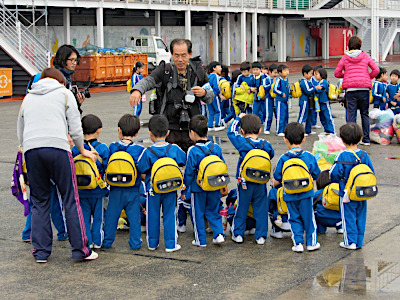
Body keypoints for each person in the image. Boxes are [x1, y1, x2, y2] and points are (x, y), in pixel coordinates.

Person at [17, 67, 98, 263]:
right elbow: (76, 128)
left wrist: (25, 147)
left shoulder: (28, 97)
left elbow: (21, 129)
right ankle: (80, 250)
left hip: (32, 150)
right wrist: (82, 148)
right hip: (58, 148)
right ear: (60, 81)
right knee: (70, 198)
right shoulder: (64, 93)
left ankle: (41, 252)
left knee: (40, 201)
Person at [129, 39, 214, 153]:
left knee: (193, 164)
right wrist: (137, 91)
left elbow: (211, 96)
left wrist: (204, 92)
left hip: (192, 130)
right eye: (176, 55)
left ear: (190, 54)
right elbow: (148, 80)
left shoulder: (198, 71)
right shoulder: (165, 70)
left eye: (184, 55)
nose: (180, 59)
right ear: (171, 53)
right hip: (169, 129)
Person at [137, 115, 186, 252]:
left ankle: (152, 243)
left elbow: (140, 167)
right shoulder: (174, 149)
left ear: (150, 133)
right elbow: (183, 160)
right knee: (170, 214)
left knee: (152, 215)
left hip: (153, 189)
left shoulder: (147, 151)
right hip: (170, 188)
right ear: (168, 132)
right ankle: (171, 244)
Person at [272, 122, 321, 253]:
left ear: (285, 139)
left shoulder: (283, 158)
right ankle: (312, 242)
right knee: (309, 218)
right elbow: (317, 174)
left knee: (294, 218)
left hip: (289, 193)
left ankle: (298, 243)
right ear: (304, 139)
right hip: (306, 193)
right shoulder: (309, 156)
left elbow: (277, 176)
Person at [228, 114, 275, 245]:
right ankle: (261, 236)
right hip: (261, 181)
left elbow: (230, 131)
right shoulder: (266, 144)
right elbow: (271, 155)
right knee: (261, 208)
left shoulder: (242, 142)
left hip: (245, 182)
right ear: (260, 130)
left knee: (241, 207)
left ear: (242, 131)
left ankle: (238, 234)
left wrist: (238, 119)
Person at [182, 115, 226, 247]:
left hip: (198, 187)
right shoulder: (216, 147)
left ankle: (200, 240)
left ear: (193, 133)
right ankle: (218, 234)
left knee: (198, 214)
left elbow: (189, 172)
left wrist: (185, 187)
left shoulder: (193, 150)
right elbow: (221, 166)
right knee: (213, 210)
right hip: (215, 185)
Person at [329, 123, 375, 250]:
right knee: (361, 216)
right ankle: (359, 241)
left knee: (348, 217)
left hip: (347, 194)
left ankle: (350, 242)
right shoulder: (364, 155)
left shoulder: (342, 155)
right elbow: (371, 172)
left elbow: (334, 173)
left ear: (342, 140)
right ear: (360, 139)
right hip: (362, 192)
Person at [103, 114, 145, 250]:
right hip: (133, 189)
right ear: (137, 132)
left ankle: (107, 241)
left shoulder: (113, 147)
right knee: (134, 218)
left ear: (119, 130)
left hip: (115, 188)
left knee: (111, 215)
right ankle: (135, 243)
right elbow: (142, 169)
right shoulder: (139, 150)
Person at [71, 114, 110, 249]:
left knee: (85, 218)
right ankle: (98, 242)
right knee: (99, 217)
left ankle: (86, 241)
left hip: (81, 189)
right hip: (98, 190)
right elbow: (106, 167)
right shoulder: (103, 148)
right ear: (98, 130)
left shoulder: (76, 148)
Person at [334, 36, 380, 146]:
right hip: (364, 89)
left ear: (349, 45)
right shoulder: (365, 56)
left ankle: (352, 140)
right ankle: (366, 139)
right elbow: (376, 70)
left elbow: (337, 73)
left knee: (351, 114)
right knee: (364, 113)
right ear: (360, 45)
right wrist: (367, 77)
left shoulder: (345, 57)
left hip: (351, 90)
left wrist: (346, 75)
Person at [297, 64, 317, 136]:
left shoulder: (309, 80)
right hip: (304, 100)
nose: (311, 75)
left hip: (309, 100)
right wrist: (315, 88)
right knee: (303, 115)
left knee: (309, 115)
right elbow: (308, 90)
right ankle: (298, 130)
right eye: (310, 73)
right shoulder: (303, 82)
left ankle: (308, 130)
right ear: (305, 73)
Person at [315, 68, 336, 134]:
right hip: (320, 103)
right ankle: (326, 130)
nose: (315, 76)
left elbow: (319, 90)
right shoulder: (319, 82)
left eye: (316, 74)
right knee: (322, 117)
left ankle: (332, 131)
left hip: (325, 102)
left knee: (328, 117)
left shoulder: (324, 82)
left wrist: (315, 88)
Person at [207, 61, 226, 131]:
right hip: (214, 95)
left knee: (211, 111)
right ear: (214, 68)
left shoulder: (208, 76)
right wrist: (220, 94)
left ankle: (210, 125)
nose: (221, 68)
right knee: (218, 110)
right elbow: (215, 86)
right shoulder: (215, 76)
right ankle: (218, 125)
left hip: (208, 95)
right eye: (219, 67)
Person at [273, 64, 290, 136]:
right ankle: (279, 130)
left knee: (286, 116)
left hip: (285, 100)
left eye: (287, 70)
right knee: (281, 116)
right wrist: (281, 93)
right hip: (280, 101)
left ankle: (285, 129)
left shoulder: (286, 79)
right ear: (280, 73)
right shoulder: (279, 80)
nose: (287, 72)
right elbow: (275, 89)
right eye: (285, 71)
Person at [263, 64, 278, 135]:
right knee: (269, 114)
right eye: (274, 72)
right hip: (268, 99)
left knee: (278, 114)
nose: (276, 74)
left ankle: (279, 129)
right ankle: (266, 128)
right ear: (270, 72)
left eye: (277, 73)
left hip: (276, 99)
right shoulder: (266, 79)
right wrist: (273, 83)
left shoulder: (279, 79)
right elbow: (265, 87)